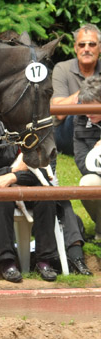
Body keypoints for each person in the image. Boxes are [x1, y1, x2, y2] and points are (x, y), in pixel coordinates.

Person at [0, 119, 60, 282]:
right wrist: (12, 170)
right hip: (0, 189)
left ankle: (44, 260)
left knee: (46, 194)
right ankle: (7, 262)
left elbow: (48, 172)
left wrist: (13, 176)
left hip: (30, 187)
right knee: (1, 196)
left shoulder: (42, 129)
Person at [52, 24, 101, 155]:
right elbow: (59, 112)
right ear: (75, 48)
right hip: (67, 132)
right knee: (82, 103)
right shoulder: (62, 68)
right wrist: (86, 92)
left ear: (100, 48)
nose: (86, 49)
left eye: (92, 44)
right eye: (81, 45)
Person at [74, 75, 101, 243]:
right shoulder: (80, 120)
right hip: (97, 173)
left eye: (94, 108)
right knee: (87, 183)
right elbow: (82, 162)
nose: (89, 114)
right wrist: (97, 156)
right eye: (85, 108)